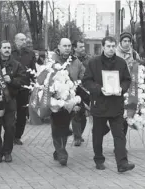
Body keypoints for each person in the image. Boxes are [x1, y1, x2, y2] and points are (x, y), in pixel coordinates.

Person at [82, 36, 135, 172]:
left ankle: (122, 163)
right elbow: (86, 81)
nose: (111, 49)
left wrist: (121, 89)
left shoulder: (121, 63)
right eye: (108, 46)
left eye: (113, 46)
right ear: (103, 47)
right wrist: (99, 89)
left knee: (119, 134)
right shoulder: (94, 63)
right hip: (99, 103)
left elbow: (127, 80)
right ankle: (99, 159)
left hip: (116, 103)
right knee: (98, 134)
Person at [0, 40, 28, 163]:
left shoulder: (17, 65)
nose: (7, 49)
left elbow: (23, 81)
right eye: (4, 47)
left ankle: (7, 152)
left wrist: (11, 80)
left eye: (9, 47)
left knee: (10, 126)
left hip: (10, 99)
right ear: (0, 49)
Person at [51, 38, 85, 166]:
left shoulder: (76, 61)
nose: (67, 48)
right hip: (55, 98)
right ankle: (62, 152)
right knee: (56, 125)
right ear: (58, 46)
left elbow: (84, 76)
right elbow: (45, 77)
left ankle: (59, 149)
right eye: (64, 45)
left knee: (64, 126)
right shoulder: (52, 60)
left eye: (69, 46)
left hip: (70, 98)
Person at [11, 33, 36, 145]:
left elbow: (33, 70)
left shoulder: (30, 54)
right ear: (15, 41)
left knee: (22, 113)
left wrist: (36, 83)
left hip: (24, 87)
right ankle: (9, 134)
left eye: (25, 39)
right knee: (10, 113)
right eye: (21, 40)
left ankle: (17, 136)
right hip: (11, 87)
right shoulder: (9, 53)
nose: (24, 41)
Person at [71, 40, 91, 146]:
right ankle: (77, 137)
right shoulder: (71, 59)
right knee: (77, 112)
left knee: (84, 115)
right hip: (75, 89)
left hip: (86, 90)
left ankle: (79, 134)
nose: (83, 48)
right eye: (80, 47)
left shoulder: (89, 59)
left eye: (84, 46)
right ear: (75, 48)